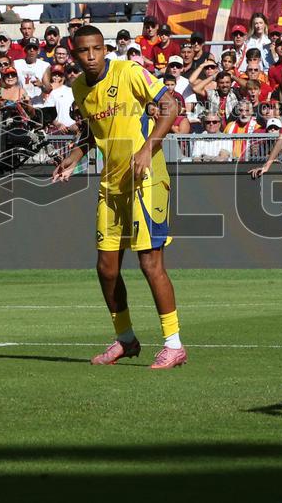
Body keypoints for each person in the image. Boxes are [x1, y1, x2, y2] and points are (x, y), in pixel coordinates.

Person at [52, 25, 188, 370]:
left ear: (104, 48)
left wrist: (147, 148)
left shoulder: (128, 71)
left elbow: (170, 106)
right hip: (111, 184)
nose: (92, 56)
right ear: (74, 52)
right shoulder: (79, 88)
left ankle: (174, 344)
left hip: (146, 178)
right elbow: (91, 132)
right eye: (84, 51)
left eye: (97, 48)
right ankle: (125, 339)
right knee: (106, 268)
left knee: (149, 262)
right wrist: (74, 156)